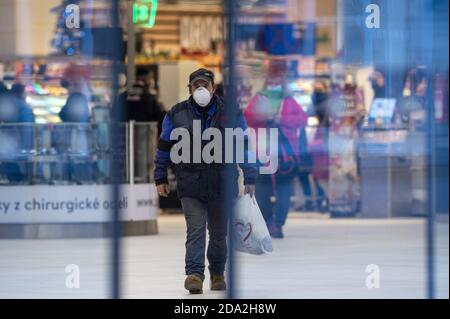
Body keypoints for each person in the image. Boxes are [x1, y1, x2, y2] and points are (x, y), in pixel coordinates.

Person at [154, 68, 257, 294]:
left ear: (213, 88)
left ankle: (218, 273)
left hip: (222, 182)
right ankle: (194, 275)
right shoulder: (176, 114)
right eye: (196, 86)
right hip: (190, 182)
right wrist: (160, 176)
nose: (201, 89)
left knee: (220, 233)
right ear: (189, 89)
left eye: (205, 85)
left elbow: (243, 145)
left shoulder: (231, 113)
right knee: (196, 230)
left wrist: (250, 174)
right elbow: (164, 147)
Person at [244, 59, 308, 238]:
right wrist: (264, 118)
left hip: (282, 153)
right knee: (265, 188)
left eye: (276, 79)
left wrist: (281, 120)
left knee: (282, 188)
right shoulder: (263, 98)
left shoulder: (287, 100)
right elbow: (248, 117)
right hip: (265, 151)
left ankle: (277, 223)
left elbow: (301, 119)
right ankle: (270, 221)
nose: (273, 83)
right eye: (271, 79)